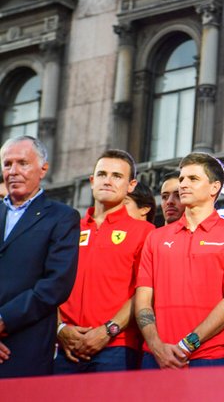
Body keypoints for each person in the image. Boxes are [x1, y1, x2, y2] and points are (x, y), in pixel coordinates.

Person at [135, 153, 224, 368]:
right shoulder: (156, 237)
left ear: (214, 187)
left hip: (209, 358)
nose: (183, 185)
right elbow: (143, 301)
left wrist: (187, 345)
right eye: (182, 179)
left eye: (193, 179)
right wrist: (157, 346)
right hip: (155, 357)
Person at [56, 150, 154, 373]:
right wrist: (60, 329)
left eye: (117, 176)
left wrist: (108, 330)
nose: (108, 181)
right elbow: (50, 284)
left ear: (131, 185)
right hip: (65, 346)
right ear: (92, 181)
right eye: (102, 174)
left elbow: (145, 291)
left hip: (117, 347)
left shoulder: (145, 232)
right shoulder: (68, 228)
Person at [0, 136, 80, 378]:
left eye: (22, 163)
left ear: (43, 169)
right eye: (7, 164)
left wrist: (4, 319)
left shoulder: (62, 217)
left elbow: (56, 284)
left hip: (27, 345)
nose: (13, 171)